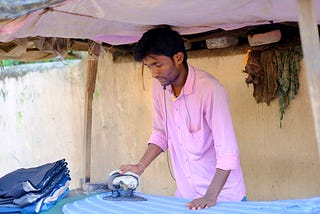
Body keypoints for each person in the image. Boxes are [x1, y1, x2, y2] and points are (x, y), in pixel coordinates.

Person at [119, 27, 246, 210]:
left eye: (157, 65)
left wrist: (210, 196)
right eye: (149, 67)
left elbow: (228, 152)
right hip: (186, 199)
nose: (154, 73)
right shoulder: (160, 87)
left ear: (178, 58)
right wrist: (140, 166)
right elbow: (161, 133)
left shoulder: (210, 89)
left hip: (222, 199)